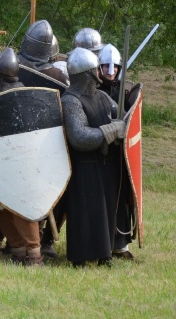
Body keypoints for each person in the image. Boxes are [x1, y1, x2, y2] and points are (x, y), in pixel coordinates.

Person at [0, 48, 44, 266]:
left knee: (22, 207)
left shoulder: (24, 96)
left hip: (20, 164)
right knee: (2, 205)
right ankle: (18, 250)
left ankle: (34, 254)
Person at [60, 48, 127, 267]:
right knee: (85, 214)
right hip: (84, 168)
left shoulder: (103, 96)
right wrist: (109, 131)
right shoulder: (71, 101)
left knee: (106, 212)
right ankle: (80, 257)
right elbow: (79, 137)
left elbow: (120, 117)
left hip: (106, 165)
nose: (100, 72)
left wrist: (123, 123)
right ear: (88, 73)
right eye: (97, 69)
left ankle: (104, 255)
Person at [97, 43, 140, 259]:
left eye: (114, 66)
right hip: (101, 154)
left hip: (120, 156)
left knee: (122, 200)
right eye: (106, 66)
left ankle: (121, 246)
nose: (110, 70)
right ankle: (104, 244)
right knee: (105, 200)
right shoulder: (94, 91)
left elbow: (132, 121)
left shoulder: (123, 91)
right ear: (99, 67)